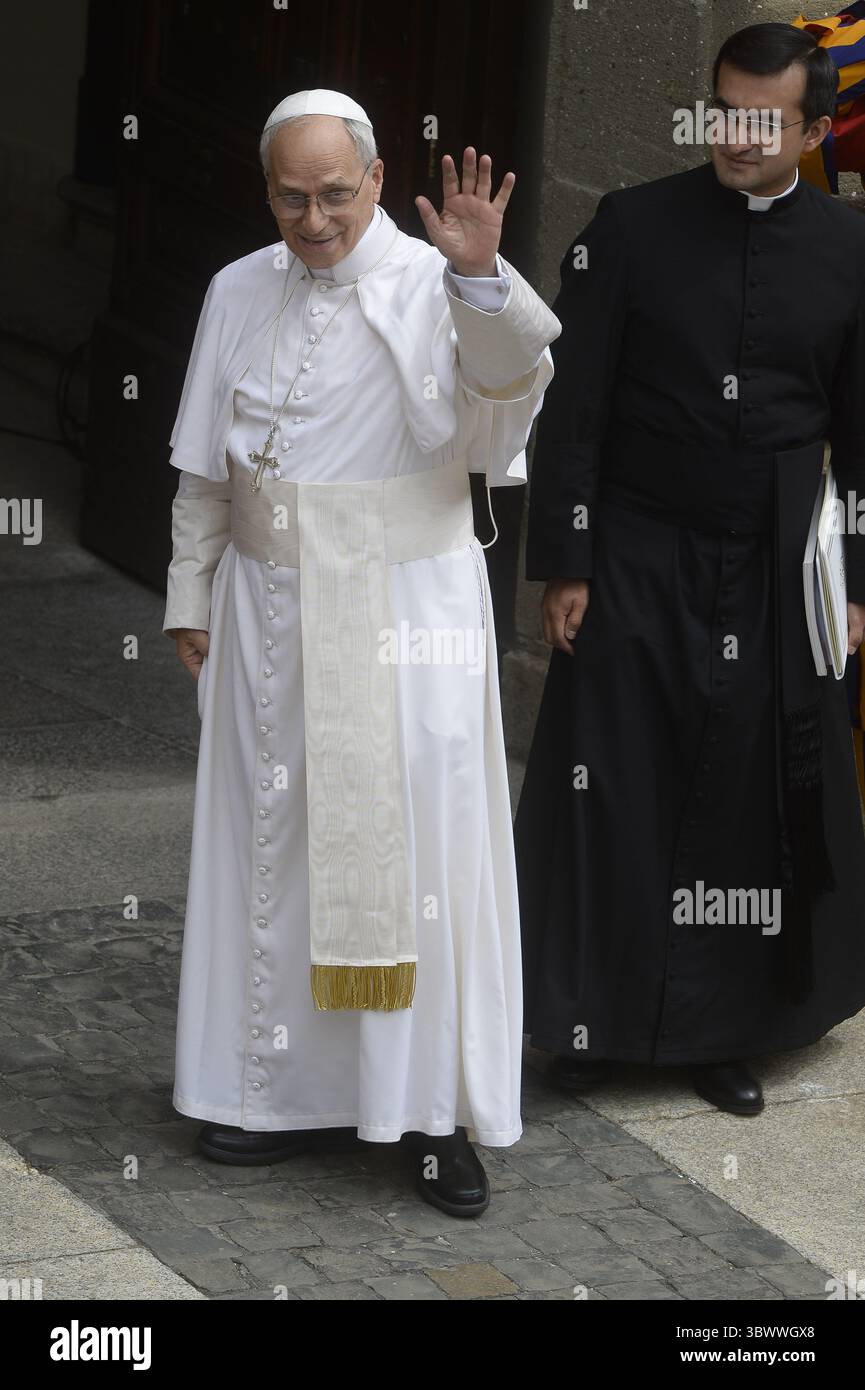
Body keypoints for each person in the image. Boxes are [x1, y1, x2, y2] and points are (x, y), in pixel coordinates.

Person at [162, 88, 560, 1216]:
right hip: (266, 610)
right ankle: (263, 1090)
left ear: (378, 180)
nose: (315, 217)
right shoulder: (237, 286)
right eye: (291, 196)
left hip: (404, 616)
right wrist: (191, 594)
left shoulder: (440, 283)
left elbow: (496, 422)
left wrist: (482, 279)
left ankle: (430, 1119)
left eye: (336, 192)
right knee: (267, 849)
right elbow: (205, 470)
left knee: (416, 861)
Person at [515, 23, 865, 1116]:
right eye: (725, 111)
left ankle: (725, 1031)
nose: (738, 137)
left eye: (765, 120)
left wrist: (853, 584)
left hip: (777, 557)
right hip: (636, 543)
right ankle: (586, 1019)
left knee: (746, 799)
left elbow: (859, 436)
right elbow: (571, 406)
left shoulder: (850, 252)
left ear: (813, 131)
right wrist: (565, 559)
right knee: (611, 782)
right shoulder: (632, 226)